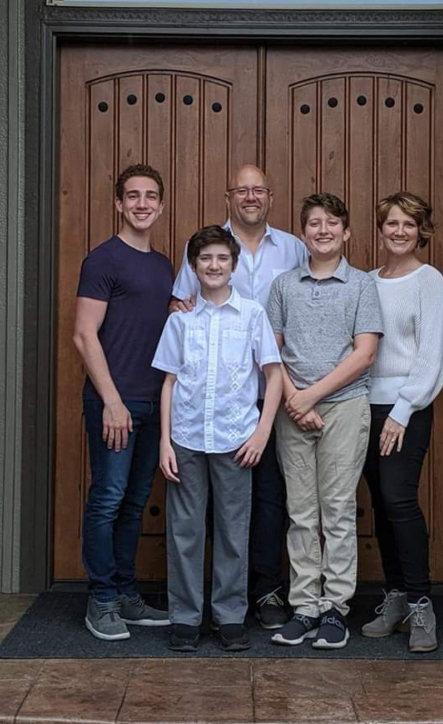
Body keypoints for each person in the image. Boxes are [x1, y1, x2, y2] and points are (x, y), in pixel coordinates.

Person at [170, 165, 307, 630]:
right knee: (196, 519)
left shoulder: (293, 248)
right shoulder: (205, 246)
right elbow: (180, 309)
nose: (250, 197)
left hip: (269, 398)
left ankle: (263, 593)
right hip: (204, 408)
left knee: (264, 503)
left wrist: (279, 406)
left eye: (258, 190)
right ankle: (191, 613)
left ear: (270, 196)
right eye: (241, 190)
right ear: (229, 196)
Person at [154, 225, 283, 652]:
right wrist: (165, 442)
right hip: (187, 439)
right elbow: (169, 383)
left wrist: (262, 432)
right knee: (185, 532)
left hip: (236, 441)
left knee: (233, 532)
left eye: (222, 259)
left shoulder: (252, 315)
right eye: (205, 259)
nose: (214, 266)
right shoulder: (182, 321)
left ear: (234, 265)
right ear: (194, 267)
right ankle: (185, 617)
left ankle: (229, 616)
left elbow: (272, 375)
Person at [266, 193, 383, 650]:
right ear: (303, 233)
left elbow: (365, 353)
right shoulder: (283, 286)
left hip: (345, 406)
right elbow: (270, 350)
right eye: (314, 224)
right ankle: (304, 607)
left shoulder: (360, 286)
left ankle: (335, 609)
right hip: (292, 407)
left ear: (346, 232)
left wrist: (312, 396)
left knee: (336, 511)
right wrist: (295, 400)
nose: (323, 230)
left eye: (332, 223)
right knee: (301, 512)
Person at [73, 164, 173, 641]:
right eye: (132, 196)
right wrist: (113, 402)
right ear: (118, 204)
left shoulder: (162, 265)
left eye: (150, 196)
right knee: (108, 500)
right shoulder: (103, 260)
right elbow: (84, 334)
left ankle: (127, 594)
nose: (141, 203)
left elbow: (155, 319)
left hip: (155, 403)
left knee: (134, 503)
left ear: (160, 204)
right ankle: (102, 599)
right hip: (115, 402)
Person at [361, 192, 443, 653]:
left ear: (421, 232)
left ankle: (421, 604)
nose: (399, 231)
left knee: (399, 501)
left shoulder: (428, 281)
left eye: (409, 225)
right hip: (364, 406)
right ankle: (395, 596)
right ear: (380, 230)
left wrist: (401, 411)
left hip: (406, 410)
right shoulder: (366, 282)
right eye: (392, 223)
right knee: (379, 504)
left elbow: (432, 355)